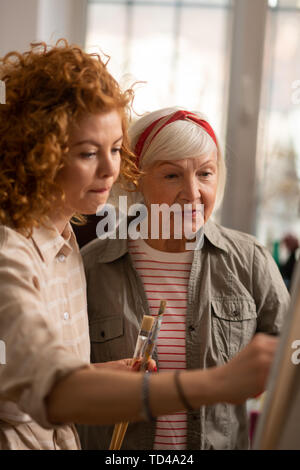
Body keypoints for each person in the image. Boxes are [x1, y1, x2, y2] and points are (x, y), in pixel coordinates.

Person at [0, 41, 279, 451]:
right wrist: (217, 382)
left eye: (115, 150)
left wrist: (97, 374)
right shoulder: (18, 253)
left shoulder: (66, 246)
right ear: (37, 155)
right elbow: (52, 388)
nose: (112, 169)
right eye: (89, 153)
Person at [78, 107, 290, 450]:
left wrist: (271, 373)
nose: (192, 193)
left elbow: (291, 359)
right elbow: (59, 384)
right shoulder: (91, 268)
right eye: (172, 176)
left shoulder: (251, 261)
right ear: (134, 178)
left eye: (205, 174)